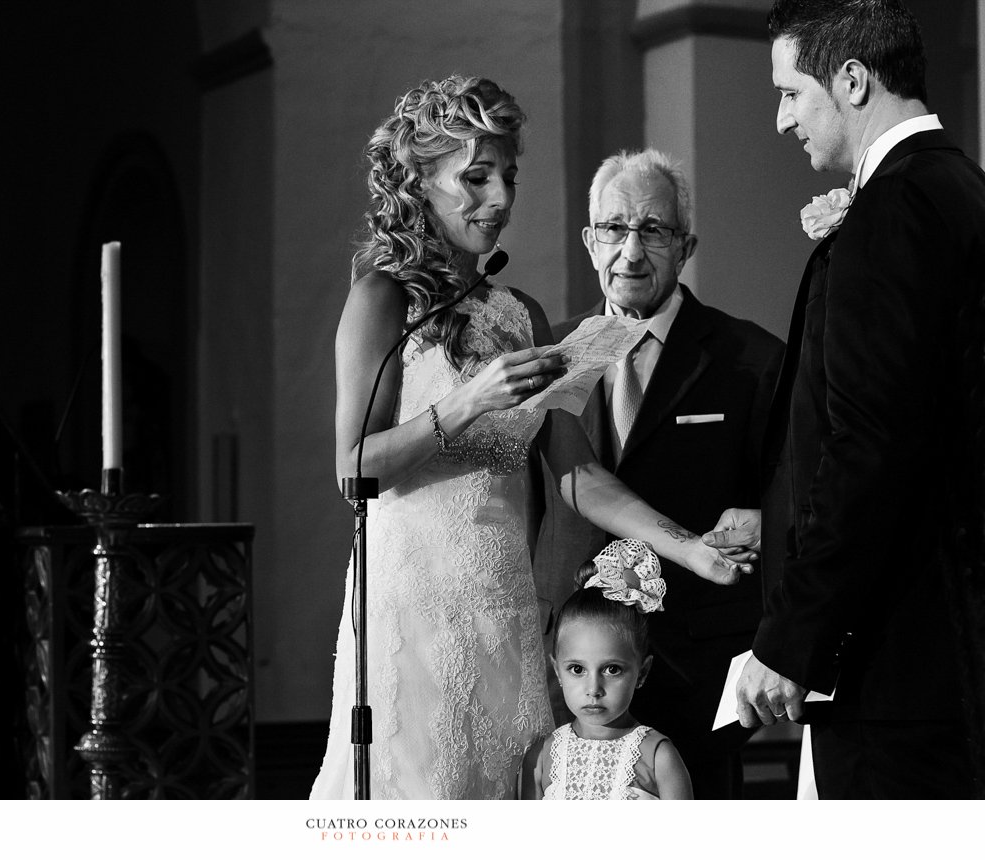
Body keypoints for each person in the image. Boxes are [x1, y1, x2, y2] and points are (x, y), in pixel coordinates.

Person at [311, 75, 749, 800]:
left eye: (508, 177)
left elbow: (575, 473)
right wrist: (468, 402)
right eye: (475, 178)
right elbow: (353, 471)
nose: (501, 200)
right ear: (420, 181)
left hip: (505, 611)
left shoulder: (520, 314)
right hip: (410, 611)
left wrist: (690, 548)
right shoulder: (382, 299)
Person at [704, 0, 985, 798]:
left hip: (895, 670)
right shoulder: (965, 192)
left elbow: (870, 449)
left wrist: (792, 641)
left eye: (792, 92)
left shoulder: (890, 214)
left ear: (852, 80)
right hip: (952, 656)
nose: (782, 120)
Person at [532, 148, 784, 798]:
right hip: (569, 669)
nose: (632, 250)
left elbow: (792, 492)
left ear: (686, 245)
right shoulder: (549, 359)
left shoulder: (749, 358)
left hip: (696, 668)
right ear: (590, 242)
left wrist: (766, 519)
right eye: (615, 229)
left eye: (654, 230)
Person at [521, 540, 692, 799]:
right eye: (577, 669)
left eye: (612, 669)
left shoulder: (659, 757)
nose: (593, 689)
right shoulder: (541, 757)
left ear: (642, 673)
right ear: (557, 670)